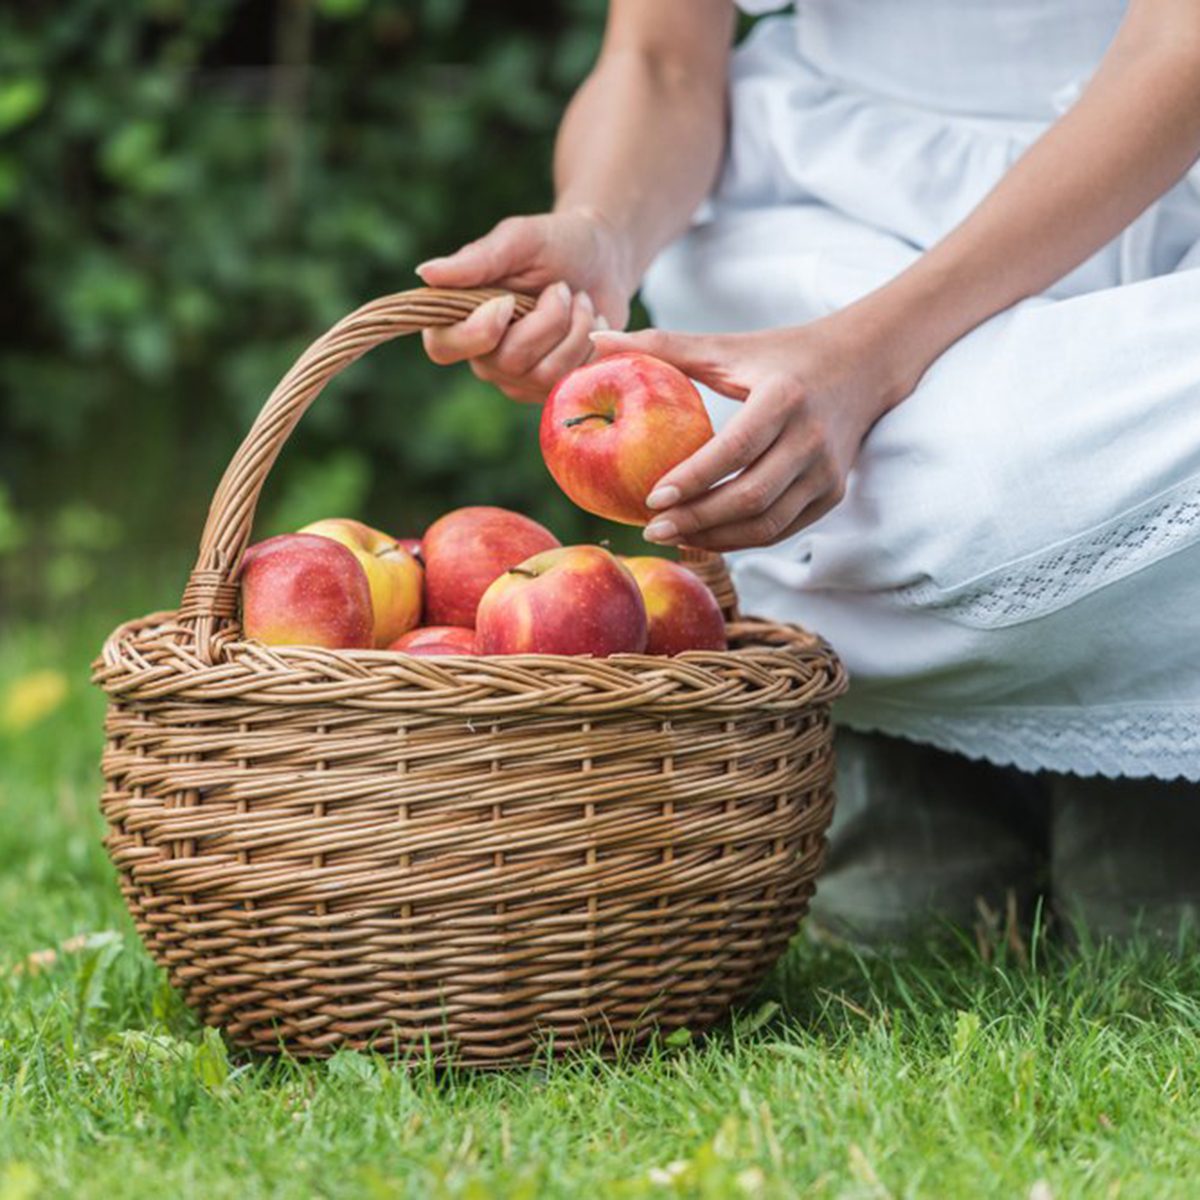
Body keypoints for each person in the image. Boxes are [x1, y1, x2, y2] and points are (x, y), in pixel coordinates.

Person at [416, 0, 1200, 942]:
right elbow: (661, 57)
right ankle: (893, 777)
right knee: (847, 459)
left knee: (1026, 463)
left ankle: (1138, 802)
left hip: (1158, 180)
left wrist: (867, 359)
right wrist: (601, 232)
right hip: (830, 210)